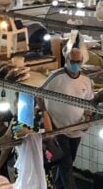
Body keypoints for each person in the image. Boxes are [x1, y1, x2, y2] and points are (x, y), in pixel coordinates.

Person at [39, 48, 95, 189]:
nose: (76, 64)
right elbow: (38, 94)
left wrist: (87, 117)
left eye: (78, 61)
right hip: (58, 128)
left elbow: (89, 103)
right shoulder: (55, 76)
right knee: (66, 164)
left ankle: (56, 185)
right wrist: (46, 116)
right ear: (66, 61)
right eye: (73, 61)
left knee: (66, 162)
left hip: (76, 129)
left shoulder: (86, 81)